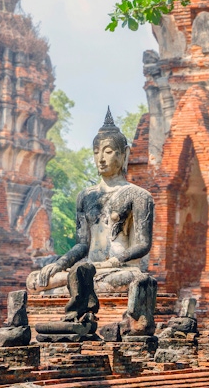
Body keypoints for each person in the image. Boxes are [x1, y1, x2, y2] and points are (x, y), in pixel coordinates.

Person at [27, 108, 154, 294]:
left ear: (124, 154)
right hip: (88, 269)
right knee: (35, 281)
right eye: (96, 152)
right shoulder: (86, 196)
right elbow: (82, 245)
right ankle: (77, 283)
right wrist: (59, 264)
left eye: (108, 152)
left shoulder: (139, 195)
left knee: (129, 280)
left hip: (117, 269)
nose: (101, 159)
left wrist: (114, 261)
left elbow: (143, 245)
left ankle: (79, 285)